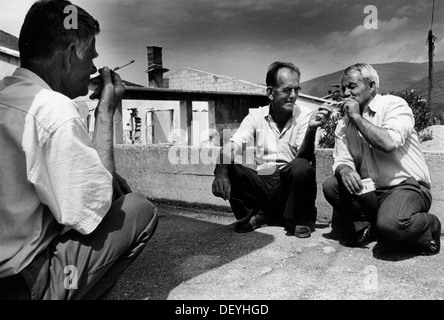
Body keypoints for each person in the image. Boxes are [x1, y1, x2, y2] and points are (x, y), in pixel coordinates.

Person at [0, 0, 158, 299]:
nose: (94, 68)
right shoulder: (54, 109)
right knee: (139, 209)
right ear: (72, 54)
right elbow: (92, 214)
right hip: (19, 286)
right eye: (91, 56)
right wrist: (106, 111)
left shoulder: (6, 95)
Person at [322, 63, 441, 256]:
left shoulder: (394, 105)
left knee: (393, 224)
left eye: (351, 87)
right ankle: (373, 226)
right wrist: (345, 170)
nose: (345, 93)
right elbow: (341, 159)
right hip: (373, 191)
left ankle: (429, 227)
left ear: (371, 86)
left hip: (406, 186)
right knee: (332, 186)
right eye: (343, 88)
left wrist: (356, 116)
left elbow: (388, 142)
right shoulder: (343, 124)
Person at [212, 61, 331, 238]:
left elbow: (304, 157)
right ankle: (258, 213)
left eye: (296, 89)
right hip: (265, 181)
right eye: (286, 90)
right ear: (270, 92)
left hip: (290, 185)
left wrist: (312, 129)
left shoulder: (305, 115)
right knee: (227, 166)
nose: (293, 95)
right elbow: (232, 146)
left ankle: (295, 218)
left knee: (301, 166)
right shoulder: (256, 116)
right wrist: (220, 172)